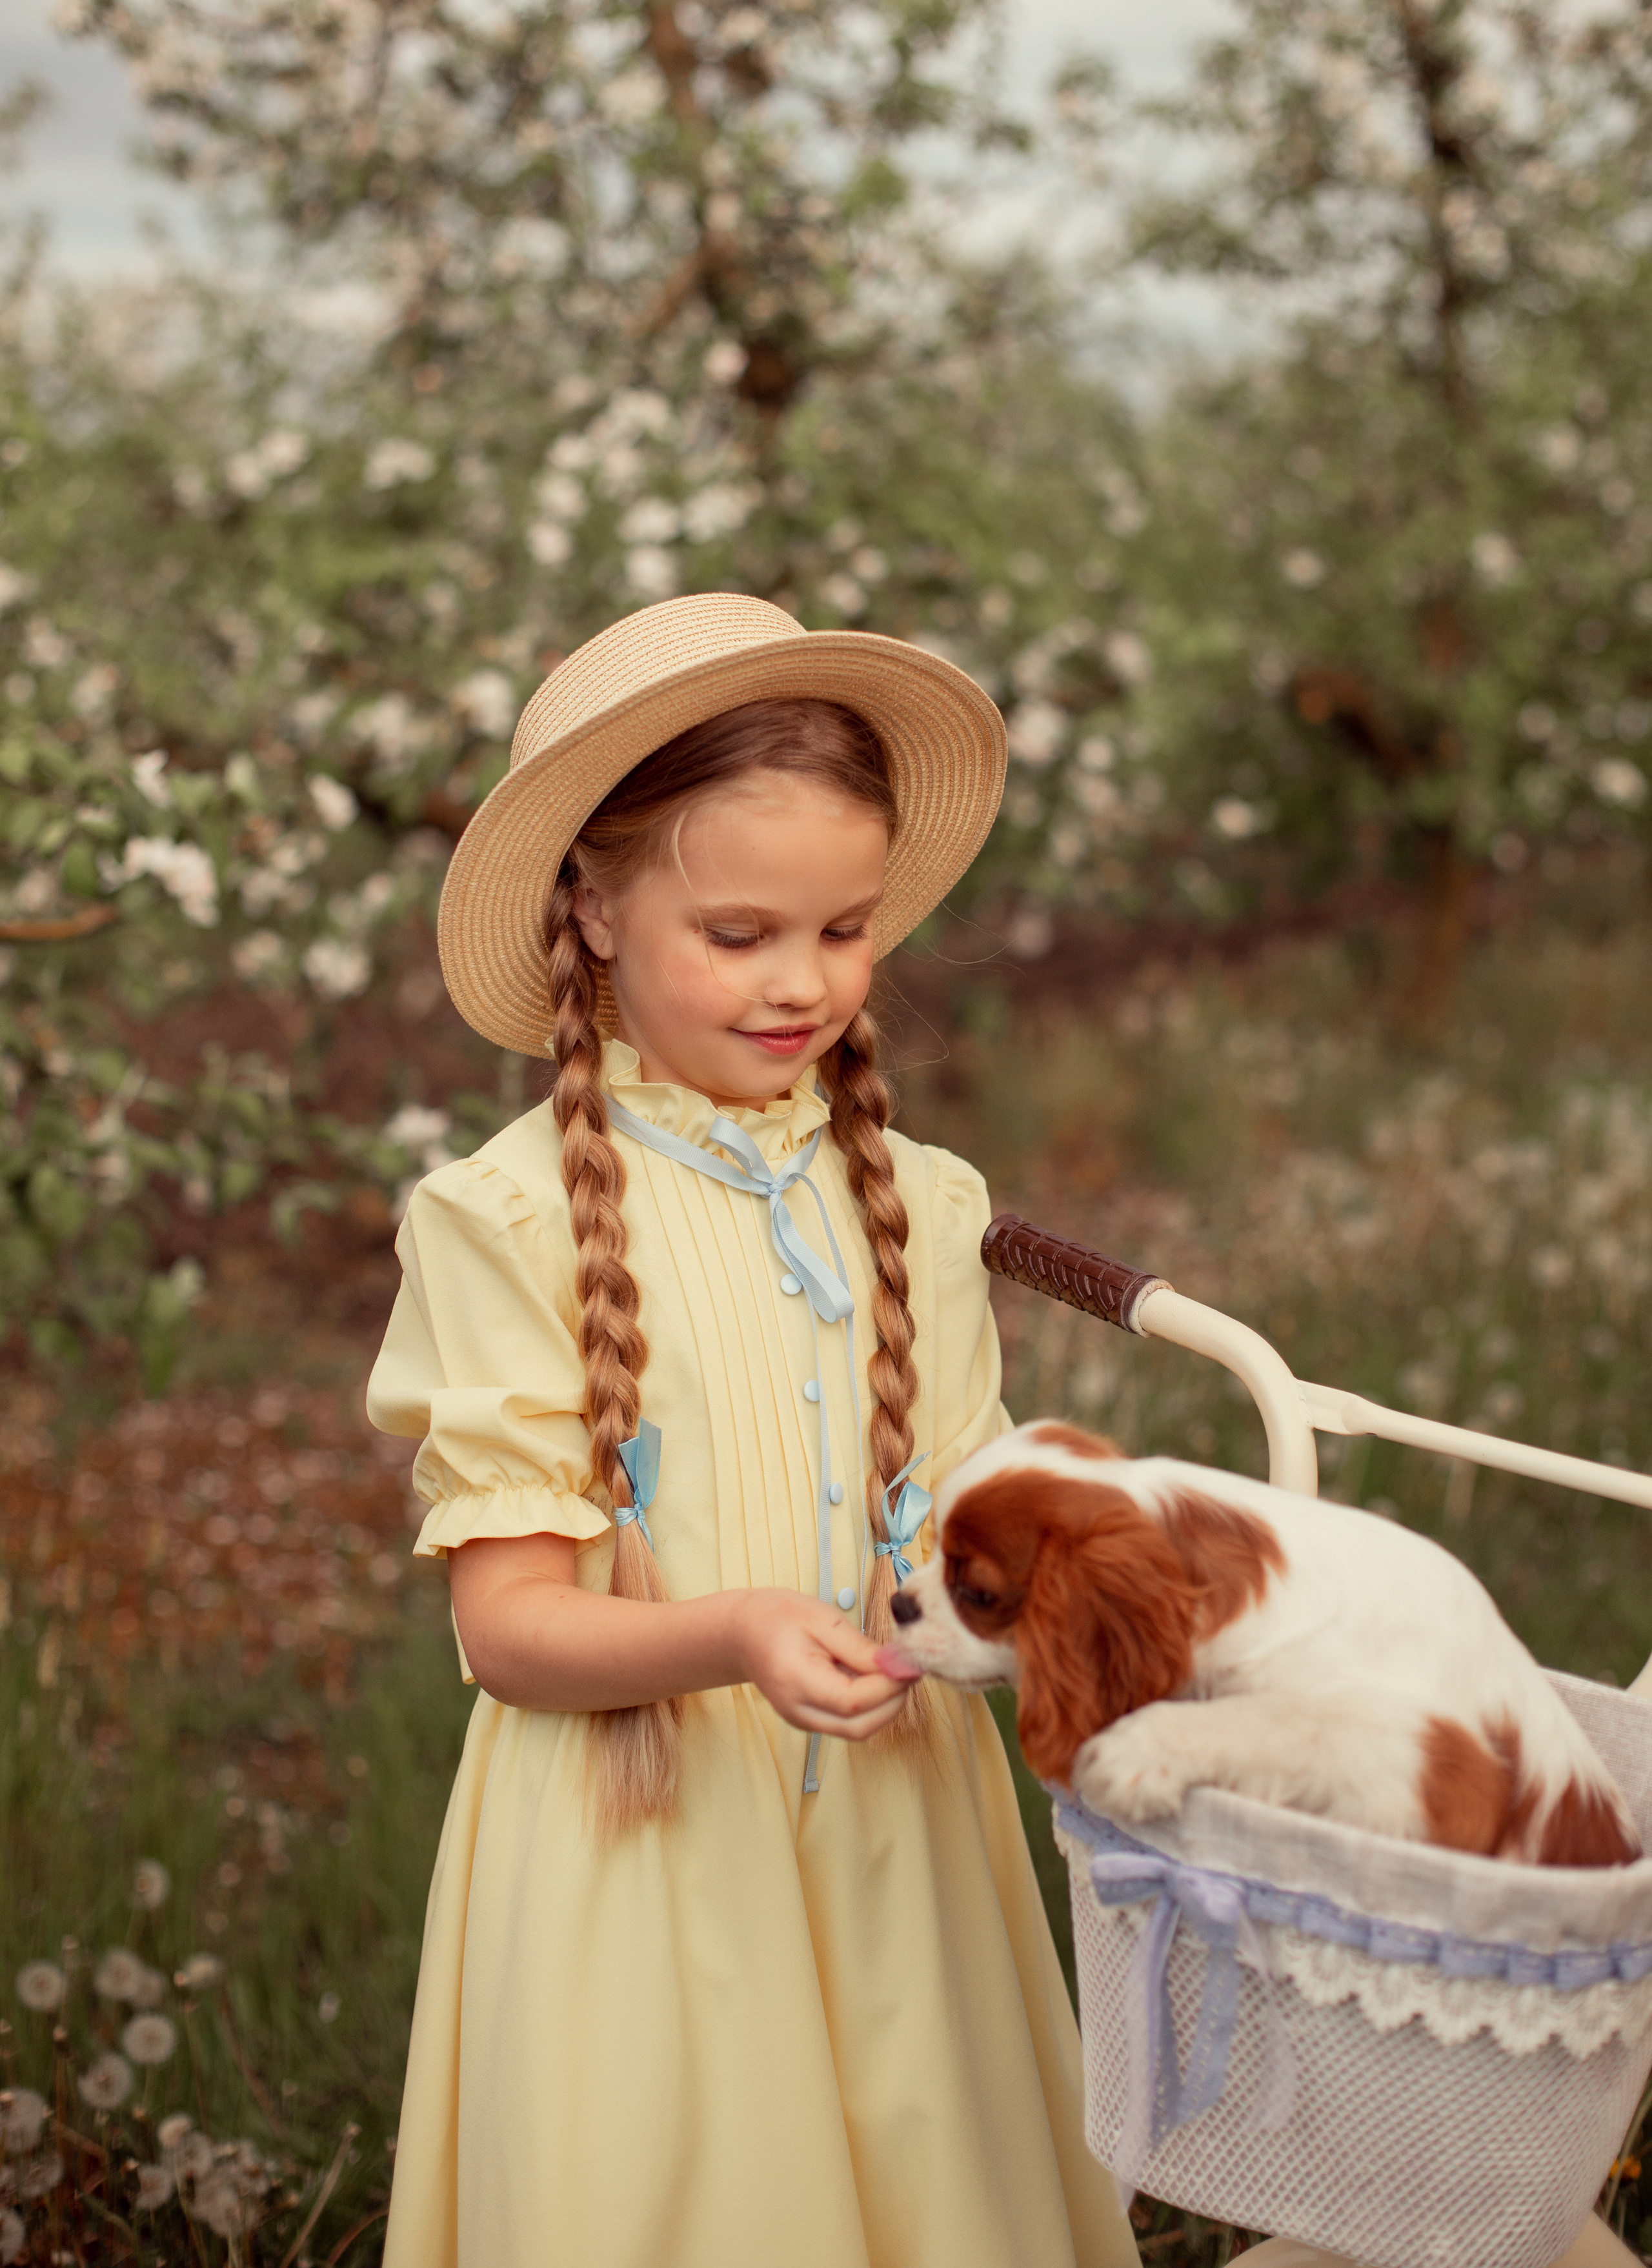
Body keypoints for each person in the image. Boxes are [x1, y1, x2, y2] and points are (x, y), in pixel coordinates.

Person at [366, 593, 1140, 2268]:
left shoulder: (918, 1203)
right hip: (644, 1853)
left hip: (898, 1835)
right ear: (589, 904)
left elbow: (955, 1505)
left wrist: (1056, 1548)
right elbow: (507, 1629)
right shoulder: (506, 1221)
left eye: (845, 929)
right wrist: (735, 1632)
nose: (804, 982)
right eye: (739, 934)